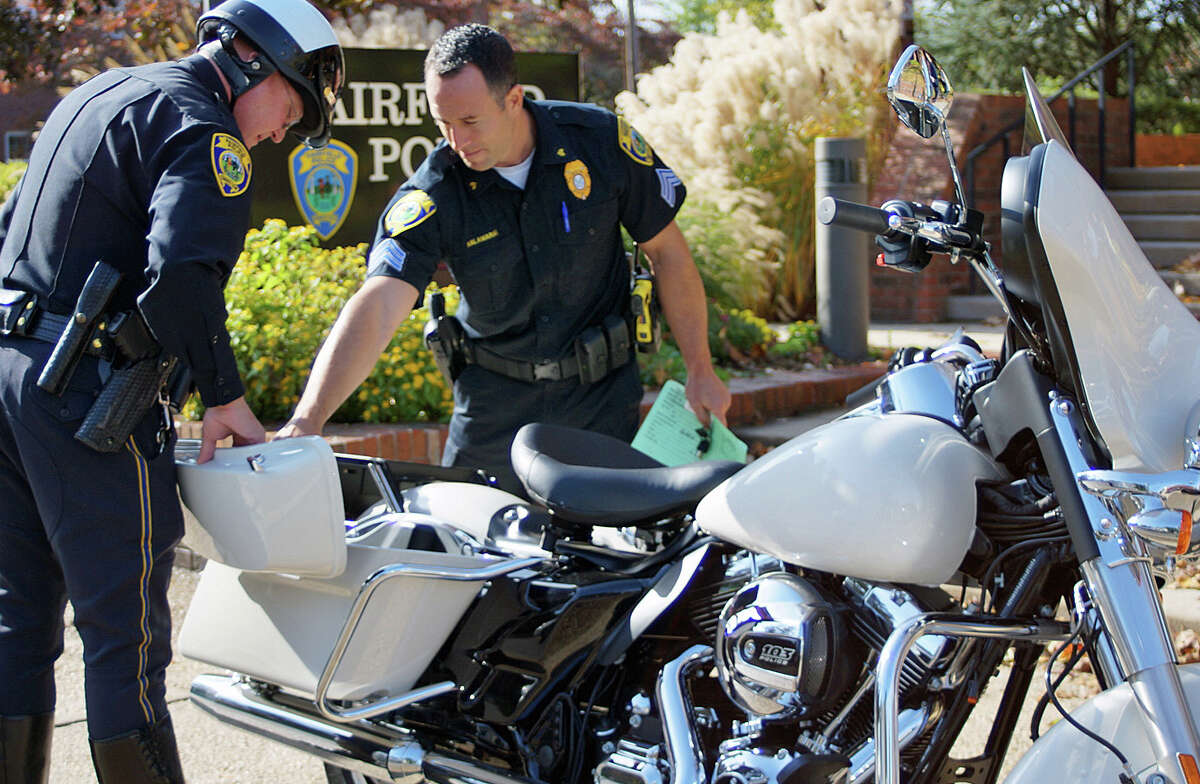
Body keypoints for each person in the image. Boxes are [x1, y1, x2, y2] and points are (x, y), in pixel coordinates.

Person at [0, 0, 343, 779]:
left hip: (12, 375)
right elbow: (182, 280)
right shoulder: (206, 131)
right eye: (293, 106)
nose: (281, 132)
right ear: (255, 61)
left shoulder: (101, 93)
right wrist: (224, 396)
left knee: (18, 620)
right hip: (82, 398)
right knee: (128, 639)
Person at [278, 23, 729, 492]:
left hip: (600, 406)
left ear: (513, 100)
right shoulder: (436, 192)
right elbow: (378, 305)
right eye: (442, 123)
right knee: (469, 543)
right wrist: (309, 418)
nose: (457, 139)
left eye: (470, 121)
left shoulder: (598, 145)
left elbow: (668, 254)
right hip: (494, 415)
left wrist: (701, 369)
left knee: (613, 554)